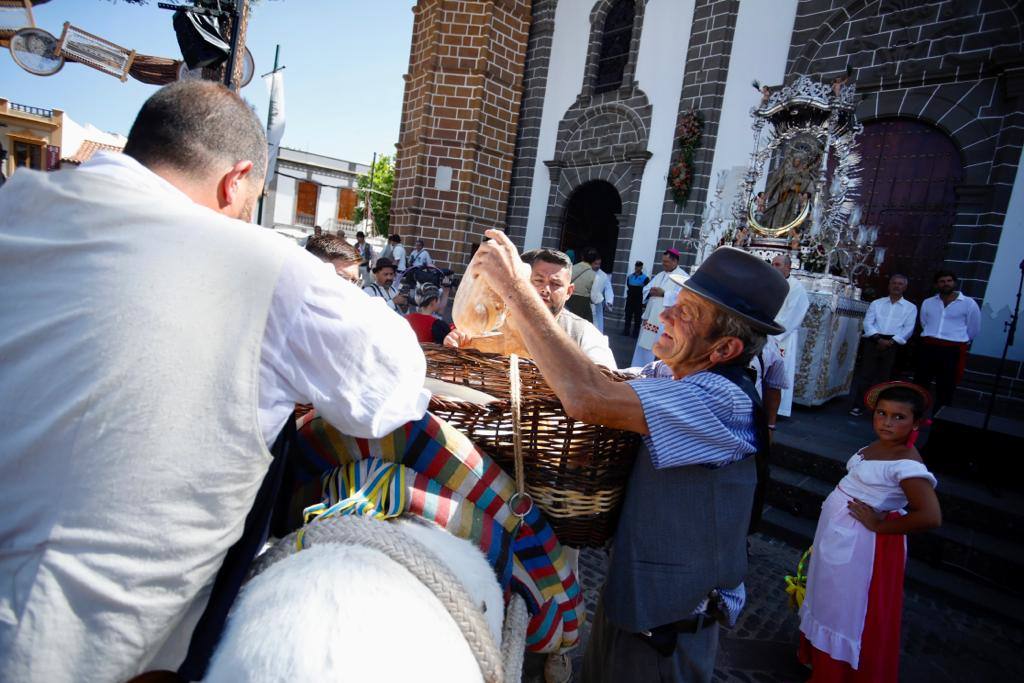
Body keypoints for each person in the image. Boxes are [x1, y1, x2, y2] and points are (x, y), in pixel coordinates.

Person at [0, 80, 429, 682]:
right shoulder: (264, 265)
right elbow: (392, 388)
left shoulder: (18, 203)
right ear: (237, 181)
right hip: (67, 647)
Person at [470, 234, 790, 683]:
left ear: (724, 351)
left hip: (667, 629)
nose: (664, 315)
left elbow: (588, 395)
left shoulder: (723, 399)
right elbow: (590, 376)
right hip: (631, 606)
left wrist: (516, 289)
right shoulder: (669, 373)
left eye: (686, 313)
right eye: (675, 302)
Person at [799, 382, 941, 682]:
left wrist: (880, 525)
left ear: (917, 423)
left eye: (899, 417)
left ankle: (841, 674)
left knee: (845, 610)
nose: (887, 422)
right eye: (882, 413)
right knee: (826, 599)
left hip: (861, 547)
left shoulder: (906, 464)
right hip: (839, 536)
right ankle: (818, 659)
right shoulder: (877, 446)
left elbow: (930, 516)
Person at [446, 247, 616, 369]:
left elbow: (605, 379)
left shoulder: (584, 333)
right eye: (538, 281)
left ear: (569, 292)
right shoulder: (495, 321)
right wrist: (457, 344)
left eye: (555, 284)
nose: (545, 289)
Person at [849, 274, 917, 416]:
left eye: (900, 284)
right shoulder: (877, 303)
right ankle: (858, 405)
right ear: (889, 285)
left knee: (885, 378)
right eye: (894, 283)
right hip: (874, 340)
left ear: (905, 287)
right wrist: (878, 339)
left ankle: (881, 410)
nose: (896, 286)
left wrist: (891, 342)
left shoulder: (910, 307)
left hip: (894, 344)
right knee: (865, 375)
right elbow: (868, 322)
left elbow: (908, 328)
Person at [914, 270, 981, 412]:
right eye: (942, 281)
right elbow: (924, 323)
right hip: (928, 348)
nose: (946, 284)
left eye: (949, 281)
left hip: (952, 350)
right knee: (920, 384)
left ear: (954, 282)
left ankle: (938, 421)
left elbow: (973, 328)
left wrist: (956, 339)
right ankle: (915, 417)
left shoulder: (969, 303)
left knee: (946, 387)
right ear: (937, 284)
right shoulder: (928, 302)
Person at [770, 253, 810, 418]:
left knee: (779, 373)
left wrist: (770, 331)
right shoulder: (769, 283)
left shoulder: (796, 288)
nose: (773, 267)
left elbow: (791, 316)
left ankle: (777, 409)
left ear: (788, 267)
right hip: (766, 332)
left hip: (781, 336)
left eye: (777, 264)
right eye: (772, 264)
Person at [631, 247, 685, 367]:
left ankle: (652, 371)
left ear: (675, 261)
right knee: (643, 346)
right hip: (650, 316)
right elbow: (645, 288)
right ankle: (637, 367)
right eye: (663, 261)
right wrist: (650, 291)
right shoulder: (660, 275)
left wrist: (664, 294)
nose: (663, 264)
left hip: (663, 321)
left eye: (666, 262)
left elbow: (683, 298)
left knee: (656, 346)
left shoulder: (683, 277)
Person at [567, 248, 600, 322]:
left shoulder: (571, 268)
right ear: (594, 260)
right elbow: (594, 298)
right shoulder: (594, 275)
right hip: (583, 305)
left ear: (582, 257)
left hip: (567, 301)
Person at [623, 261, 649, 337]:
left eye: (639, 266)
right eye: (636, 266)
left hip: (638, 300)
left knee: (637, 317)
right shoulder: (630, 277)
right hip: (630, 299)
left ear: (641, 268)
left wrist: (644, 301)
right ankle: (626, 331)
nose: (637, 268)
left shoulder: (645, 278)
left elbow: (647, 289)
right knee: (628, 315)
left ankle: (635, 333)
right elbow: (628, 285)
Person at [591, 258, 614, 334]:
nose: (597, 266)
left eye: (599, 264)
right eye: (595, 263)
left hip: (597, 305)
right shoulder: (587, 272)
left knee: (596, 327)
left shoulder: (603, 275)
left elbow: (608, 289)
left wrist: (609, 300)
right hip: (586, 303)